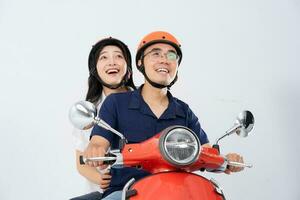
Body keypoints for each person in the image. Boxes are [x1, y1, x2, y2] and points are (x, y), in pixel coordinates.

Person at [84, 31, 244, 200]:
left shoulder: (184, 112)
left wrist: (226, 160)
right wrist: (96, 149)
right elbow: (98, 142)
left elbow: (207, 153)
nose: (164, 59)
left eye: (171, 55)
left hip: (179, 191)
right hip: (126, 191)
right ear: (140, 62)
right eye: (156, 53)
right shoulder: (115, 103)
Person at [71, 37, 136, 200]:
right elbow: (81, 163)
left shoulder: (143, 102)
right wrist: (102, 179)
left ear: (128, 68)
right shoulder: (88, 111)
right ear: (95, 69)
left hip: (144, 183)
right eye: (104, 57)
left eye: (119, 56)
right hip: (105, 191)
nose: (112, 62)